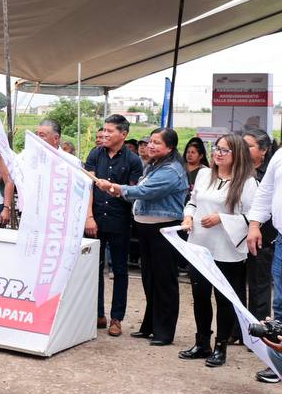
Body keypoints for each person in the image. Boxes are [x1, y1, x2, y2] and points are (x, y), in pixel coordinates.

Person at [97, 128, 187, 346]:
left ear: (170, 147)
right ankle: (150, 326)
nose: (151, 146)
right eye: (150, 142)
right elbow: (139, 191)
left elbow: (144, 191)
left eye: (157, 143)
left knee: (164, 281)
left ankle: (164, 332)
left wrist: (115, 188)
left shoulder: (172, 170)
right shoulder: (153, 165)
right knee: (149, 278)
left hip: (164, 229)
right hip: (146, 228)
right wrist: (118, 190)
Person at [179, 133, 257, 367]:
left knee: (224, 299)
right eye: (216, 148)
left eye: (224, 150)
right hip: (199, 245)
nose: (218, 153)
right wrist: (188, 216)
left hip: (227, 249)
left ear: (237, 154)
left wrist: (222, 218)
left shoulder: (247, 182)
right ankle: (201, 342)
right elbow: (193, 202)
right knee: (200, 295)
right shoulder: (204, 174)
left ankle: (221, 346)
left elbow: (253, 216)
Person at [85, 114, 144, 336]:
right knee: (94, 268)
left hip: (120, 221)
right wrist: (89, 217)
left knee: (120, 270)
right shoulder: (95, 154)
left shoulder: (134, 161)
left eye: (110, 131)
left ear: (123, 134)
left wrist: (111, 188)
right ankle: (97, 313)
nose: (105, 134)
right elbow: (88, 187)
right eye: (105, 130)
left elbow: (133, 193)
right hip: (95, 220)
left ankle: (116, 318)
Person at [247, 136, 282, 383]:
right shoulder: (280, 156)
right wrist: (254, 224)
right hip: (281, 240)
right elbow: (266, 193)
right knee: (279, 305)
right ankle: (278, 364)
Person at [242, 128, 276, 324]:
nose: (243, 149)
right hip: (235, 235)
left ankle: (258, 329)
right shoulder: (237, 169)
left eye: (249, 146)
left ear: (263, 150)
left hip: (263, 236)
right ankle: (237, 329)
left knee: (259, 285)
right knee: (236, 284)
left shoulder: (270, 172)